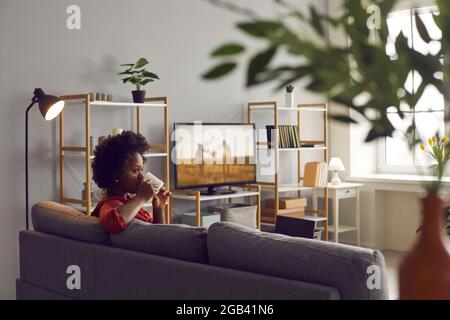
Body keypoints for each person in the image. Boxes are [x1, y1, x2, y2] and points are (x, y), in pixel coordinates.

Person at [91, 130, 170, 233]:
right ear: (116, 172)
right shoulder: (109, 204)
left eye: (141, 170)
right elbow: (114, 222)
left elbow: (159, 236)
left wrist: (158, 209)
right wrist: (141, 198)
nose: (141, 176)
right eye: (135, 170)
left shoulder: (128, 202)